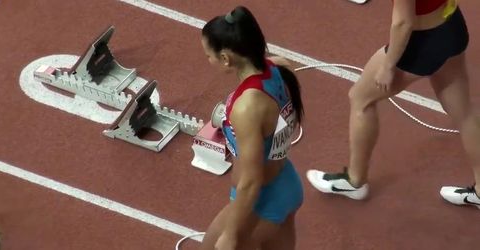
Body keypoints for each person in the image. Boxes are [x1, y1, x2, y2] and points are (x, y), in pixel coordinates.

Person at [307, 0, 480, 208]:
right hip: (451, 25)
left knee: (361, 98)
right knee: (465, 114)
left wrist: (388, 66)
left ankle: (354, 182)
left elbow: (403, 23)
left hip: (422, 41)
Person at [199, 6, 305, 250]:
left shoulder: (247, 107)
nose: (209, 60)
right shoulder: (281, 68)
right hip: (287, 182)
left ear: (226, 58)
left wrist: (231, 234)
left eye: (208, 55)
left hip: (260, 202)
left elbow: (250, 181)